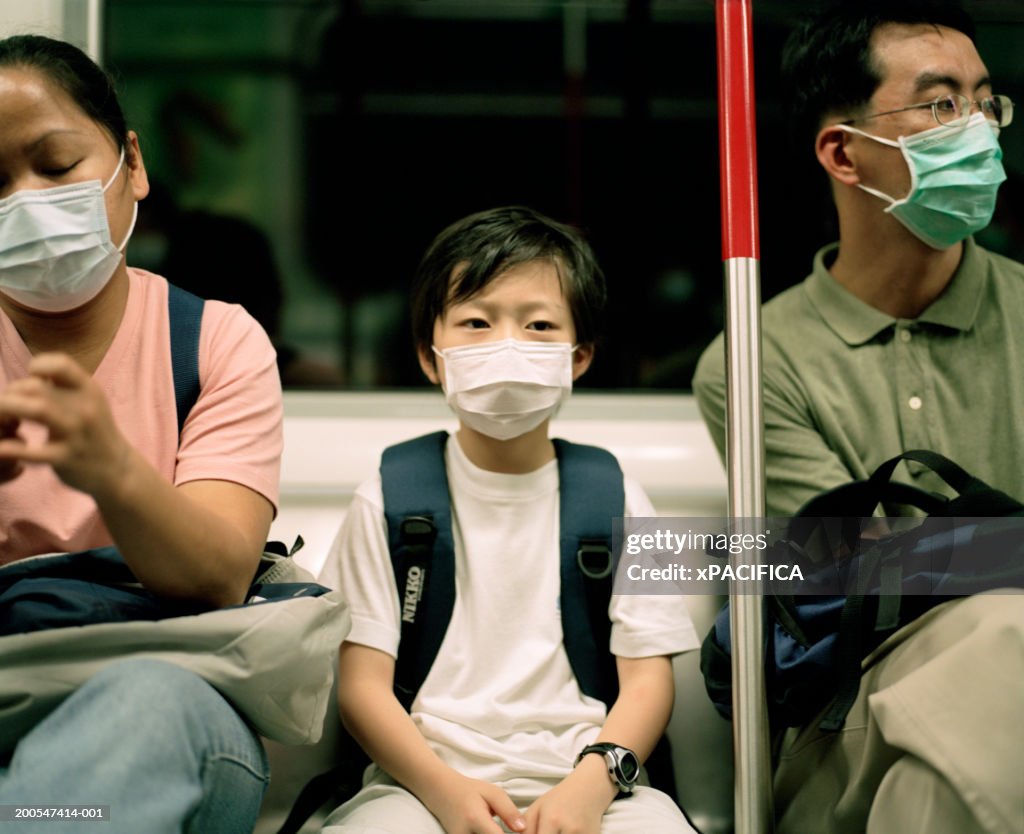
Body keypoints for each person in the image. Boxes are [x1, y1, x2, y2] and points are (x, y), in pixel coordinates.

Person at [693, 2, 1024, 833]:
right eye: (941, 105)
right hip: (848, 718)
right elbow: (860, 575)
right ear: (846, 153)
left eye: (986, 103)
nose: (977, 129)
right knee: (1000, 631)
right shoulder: (756, 361)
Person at [318, 206, 700, 834]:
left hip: (594, 782)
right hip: (417, 786)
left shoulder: (618, 494)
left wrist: (592, 784)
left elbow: (649, 678)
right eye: (476, 321)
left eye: (539, 324)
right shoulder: (387, 496)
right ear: (428, 355)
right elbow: (361, 688)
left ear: (578, 358)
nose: (507, 345)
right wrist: (446, 793)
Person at [0, 35, 282, 833]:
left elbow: (219, 576)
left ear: (133, 162)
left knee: (128, 725)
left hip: (166, 709)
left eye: (55, 167)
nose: (24, 202)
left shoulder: (216, 343)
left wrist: (110, 470)